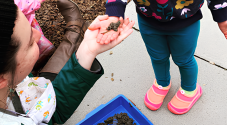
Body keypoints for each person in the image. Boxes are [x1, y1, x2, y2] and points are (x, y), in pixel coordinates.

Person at [0, 0, 135, 125]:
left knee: (52, 72)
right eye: (30, 42)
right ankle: (74, 32)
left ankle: (75, 34)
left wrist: (87, 50)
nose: (39, 35)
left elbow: (49, 110)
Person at [91, 0, 227, 115]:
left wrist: (223, 16)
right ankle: (162, 83)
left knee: (183, 60)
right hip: (148, 20)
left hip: (186, 22)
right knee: (157, 57)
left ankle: (190, 89)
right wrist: (114, 14)